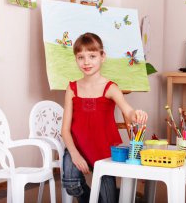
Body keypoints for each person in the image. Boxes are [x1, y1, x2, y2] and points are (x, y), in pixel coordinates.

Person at [61, 32, 148, 203]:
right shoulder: (71, 88)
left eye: (92, 56)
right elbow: (65, 130)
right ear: (76, 59)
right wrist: (75, 155)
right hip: (77, 148)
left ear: (103, 56)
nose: (86, 62)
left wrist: (136, 114)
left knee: (108, 200)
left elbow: (128, 111)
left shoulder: (110, 87)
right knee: (71, 184)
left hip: (103, 150)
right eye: (81, 57)